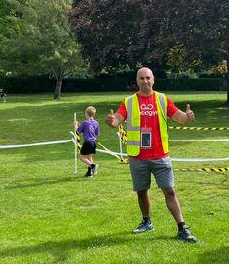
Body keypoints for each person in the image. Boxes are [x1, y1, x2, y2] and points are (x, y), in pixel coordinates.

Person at [106, 67, 198, 243]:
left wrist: (187, 117)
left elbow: (178, 116)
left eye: (148, 78)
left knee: (169, 191)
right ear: (137, 81)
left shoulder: (162, 99)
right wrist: (112, 122)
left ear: (153, 80)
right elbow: (117, 118)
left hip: (160, 155)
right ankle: (147, 221)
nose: (145, 81)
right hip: (138, 156)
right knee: (141, 192)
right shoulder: (129, 101)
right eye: (142, 78)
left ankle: (182, 227)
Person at [74, 106, 100, 177]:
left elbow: (78, 131)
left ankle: (93, 165)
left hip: (88, 142)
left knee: (82, 157)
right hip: (94, 142)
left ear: (86, 114)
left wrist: (75, 125)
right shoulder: (96, 123)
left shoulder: (85, 122)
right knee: (89, 157)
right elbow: (96, 133)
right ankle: (89, 173)